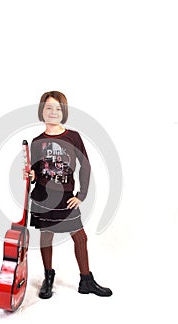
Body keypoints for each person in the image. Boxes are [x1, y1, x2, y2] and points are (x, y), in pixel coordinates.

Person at [24, 91, 112, 298]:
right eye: (49, 108)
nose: (53, 112)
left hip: (66, 195)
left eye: (58, 108)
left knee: (80, 237)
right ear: (42, 111)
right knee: (46, 236)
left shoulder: (73, 136)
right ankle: (48, 277)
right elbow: (36, 170)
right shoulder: (37, 141)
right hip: (43, 196)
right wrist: (32, 174)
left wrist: (81, 194)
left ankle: (86, 280)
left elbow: (85, 166)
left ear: (63, 112)